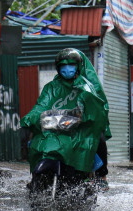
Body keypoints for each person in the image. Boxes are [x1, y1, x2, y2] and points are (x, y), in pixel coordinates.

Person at [20, 48, 111, 189]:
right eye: (63, 65)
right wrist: (31, 117)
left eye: (71, 65)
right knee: (35, 140)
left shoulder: (86, 87)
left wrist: (83, 116)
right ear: (58, 68)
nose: (67, 69)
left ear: (78, 67)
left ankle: (101, 175)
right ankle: (35, 178)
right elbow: (41, 105)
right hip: (56, 127)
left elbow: (92, 108)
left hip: (81, 129)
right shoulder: (50, 88)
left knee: (98, 138)